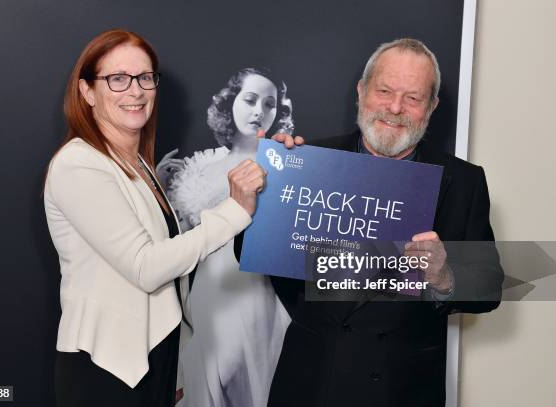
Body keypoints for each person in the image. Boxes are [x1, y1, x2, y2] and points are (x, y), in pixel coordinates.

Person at [234, 38, 504, 407]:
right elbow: (252, 252)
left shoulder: (464, 182)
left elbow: (489, 287)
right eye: (385, 91)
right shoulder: (311, 160)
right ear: (361, 92)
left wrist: (445, 276)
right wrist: (265, 195)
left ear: (432, 106)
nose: (395, 108)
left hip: (403, 388)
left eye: (413, 98)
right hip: (311, 382)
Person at [43, 29, 268, 407]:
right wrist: (234, 210)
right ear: (87, 92)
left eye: (145, 78)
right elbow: (147, 267)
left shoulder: (139, 164)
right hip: (106, 369)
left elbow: (165, 278)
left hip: (152, 362)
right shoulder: (78, 163)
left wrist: (175, 367)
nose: (136, 91)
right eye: (118, 79)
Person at [157, 68, 295, 407]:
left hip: (258, 297)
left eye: (269, 104)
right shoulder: (199, 168)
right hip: (204, 299)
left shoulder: (285, 164)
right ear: (230, 102)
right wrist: (158, 189)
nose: (259, 111)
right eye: (249, 100)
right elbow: (174, 242)